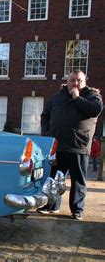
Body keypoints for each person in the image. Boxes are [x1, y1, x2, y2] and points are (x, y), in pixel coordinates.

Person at [39, 70, 102, 220]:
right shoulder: (57, 97)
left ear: (84, 81)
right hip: (57, 145)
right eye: (72, 80)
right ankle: (52, 206)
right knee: (53, 179)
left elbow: (95, 110)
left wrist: (77, 98)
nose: (75, 83)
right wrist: (47, 133)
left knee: (77, 180)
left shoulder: (92, 96)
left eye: (78, 80)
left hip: (78, 145)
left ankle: (77, 210)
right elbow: (45, 115)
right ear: (67, 81)